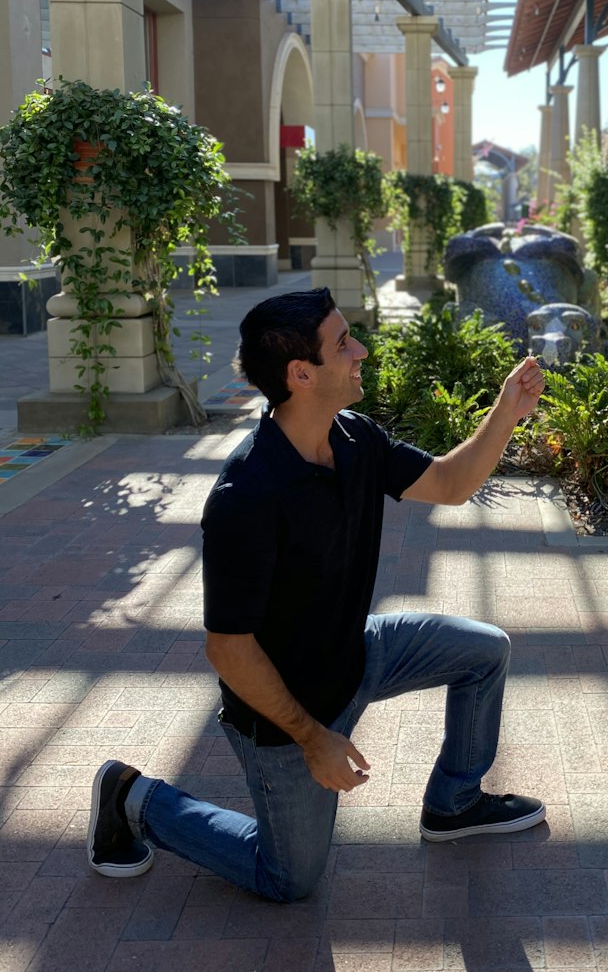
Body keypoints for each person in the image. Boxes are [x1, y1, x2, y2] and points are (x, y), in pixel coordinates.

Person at [86, 287, 547, 902]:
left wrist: (507, 410)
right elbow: (228, 651)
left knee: (483, 651)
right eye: (342, 343)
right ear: (301, 374)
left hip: (355, 653)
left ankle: (455, 804)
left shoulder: (354, 437)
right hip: (284, 715)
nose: (360, 349)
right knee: (290, 879)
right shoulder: (245, 499)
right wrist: (315, 738)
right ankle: (133, 797)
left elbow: (451, 482)